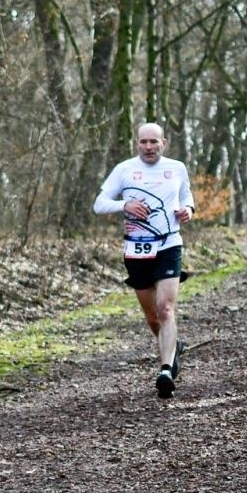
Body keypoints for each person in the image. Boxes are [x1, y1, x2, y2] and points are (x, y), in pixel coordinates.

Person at [92, 122, 195, 398]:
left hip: (169, 243)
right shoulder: (124, 170)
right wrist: (124, 205)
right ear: (136, 143)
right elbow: (99, 204)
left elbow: (186, 197)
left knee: (166, 308)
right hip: (137, 250)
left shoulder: (177, 167)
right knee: (152, 317)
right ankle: (174, 346)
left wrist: (188, 210)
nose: (149, 147)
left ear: (165, 143)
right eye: (143, 142)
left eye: (154, 142)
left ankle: (165, 368)